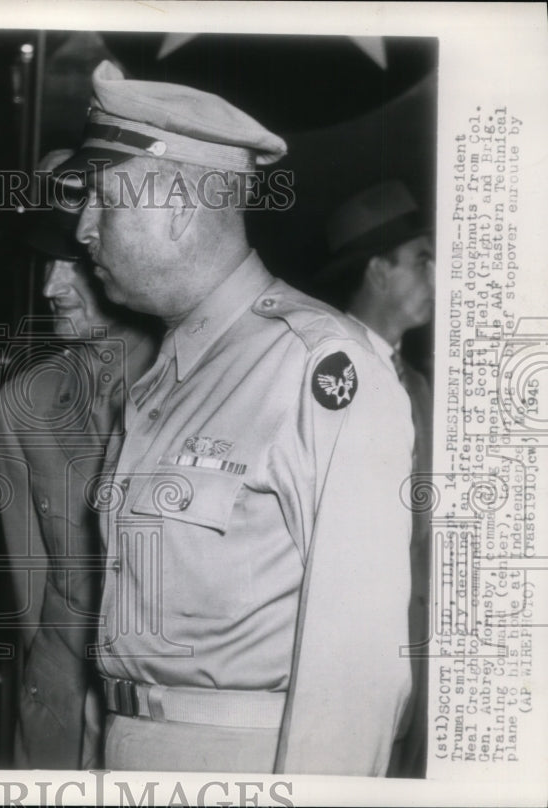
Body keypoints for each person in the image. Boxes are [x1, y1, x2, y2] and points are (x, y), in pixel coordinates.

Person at [57, 61, 415, 775]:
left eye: (103, 202)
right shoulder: (174, 370)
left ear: (178, 207)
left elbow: (356, 675)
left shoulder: (317, 367)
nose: (84, 230)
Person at [0, 150, 159, 768]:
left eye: (75, 266)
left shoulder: (197, 392)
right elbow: (29, 592)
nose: (49, 288)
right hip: (59, 707)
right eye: (45, 264)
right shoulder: (26, 402)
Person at [318, 180, 435, 777]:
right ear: (379, 272)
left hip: (412, 662)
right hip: (339, 669)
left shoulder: (418, 387)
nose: (437, 275)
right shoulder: (321, 373)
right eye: (422, 260)